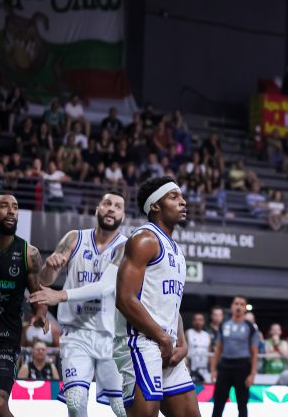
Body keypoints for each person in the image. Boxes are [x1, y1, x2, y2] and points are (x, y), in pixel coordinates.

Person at [31, 191, 129, 417]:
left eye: (117, 206)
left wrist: (60, 295)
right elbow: (45, 281)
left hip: (112, 336)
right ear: (97, 209)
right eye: (107, 203)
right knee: (75, 403)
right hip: (76, 333)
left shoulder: (126, 247)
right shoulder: (74, 238)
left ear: (123, 216)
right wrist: (50, 268)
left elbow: (105, 287)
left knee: (122, 408)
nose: (111, 208)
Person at [113, 176, 198, 416]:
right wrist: (162, 338)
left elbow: (172, 305)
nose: (183, 202)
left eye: (182, 197)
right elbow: (125, 298)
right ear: (155, 206)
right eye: (174, 197)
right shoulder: (144, 239)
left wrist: (181, 342)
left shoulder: (176, 250)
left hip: (166, 343)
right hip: (141, 341)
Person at [0, 192, 49, 417]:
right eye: (4, 206)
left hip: (6, 339)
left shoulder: (29, 254)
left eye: (15, 207)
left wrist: (41, 314)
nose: (11, 211)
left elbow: (38, 296)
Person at [210, 296, 259, 417]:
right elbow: (218, 349)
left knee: (242, 405)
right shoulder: (224, 325)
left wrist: (252, 374)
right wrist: (213, 370)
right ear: (232, 306)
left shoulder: (250, 327)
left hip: (243, 367)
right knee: (218, 403)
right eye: (236, 303)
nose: (238, 306)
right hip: (224, 366)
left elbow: (254, 353)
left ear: (245, 308)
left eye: (242, 304)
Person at [186, 313, 212, 384]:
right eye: (196, 320)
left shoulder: (207, 335)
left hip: (205, 368)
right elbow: (185, 350)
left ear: (204, 322)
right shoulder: (188, 333)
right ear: (193, 321)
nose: (198, 322)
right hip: (191, 368)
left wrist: (212, 370)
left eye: (200, 320)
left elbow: (209, 352)